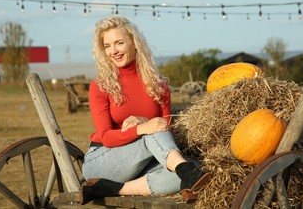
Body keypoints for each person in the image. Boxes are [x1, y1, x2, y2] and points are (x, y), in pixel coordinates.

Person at [80, 15, 211, 205]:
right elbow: (107, 136)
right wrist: (142, 128)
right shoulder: (100, 86)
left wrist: (143, 121)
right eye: (107, 46)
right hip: (103, 160)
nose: (113, 51)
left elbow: (167, 127)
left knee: (196, 169)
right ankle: (184, 168)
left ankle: (114, 189)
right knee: (155, 132)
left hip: (143, 164)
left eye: (119, 43)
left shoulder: (158, 84)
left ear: (134, 43)